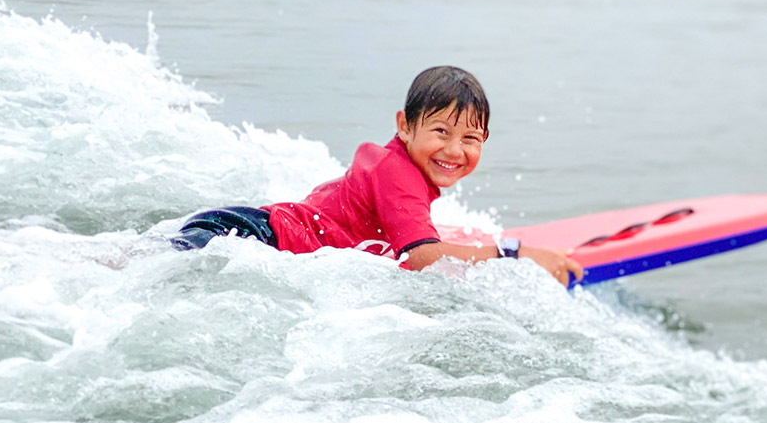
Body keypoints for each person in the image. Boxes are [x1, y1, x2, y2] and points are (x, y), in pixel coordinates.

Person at [173, 66, 583, 286]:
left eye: (471, 138)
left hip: (249, 237)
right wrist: (516, 254)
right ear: (405, 126)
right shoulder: (397, 173)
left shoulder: (398, 171)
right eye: (441, 131)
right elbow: (421, 257)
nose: (455, 150)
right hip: (244, 236)